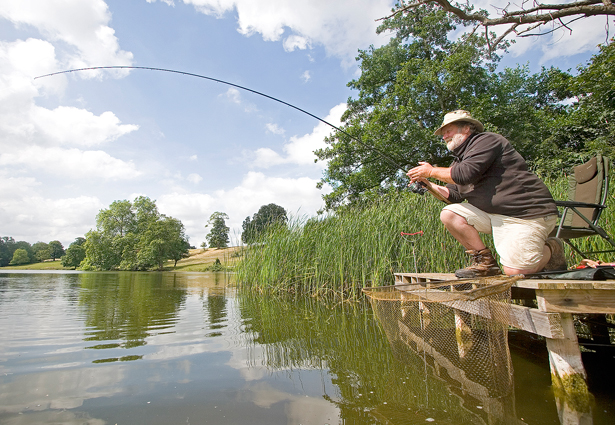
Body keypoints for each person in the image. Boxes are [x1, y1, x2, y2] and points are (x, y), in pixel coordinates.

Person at [406, 110, 567, 278]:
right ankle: (486, 263)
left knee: (516, 272)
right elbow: (452, 195)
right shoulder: (459, 160)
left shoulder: (487, 141)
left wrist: (431, 171)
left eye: (448, 130)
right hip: (494, 216)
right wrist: (429, 185)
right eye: (443, 133)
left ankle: (553, 249)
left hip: (526, 214)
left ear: (467, 128)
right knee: (450, 214)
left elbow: (465, 174)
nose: (444, 136)